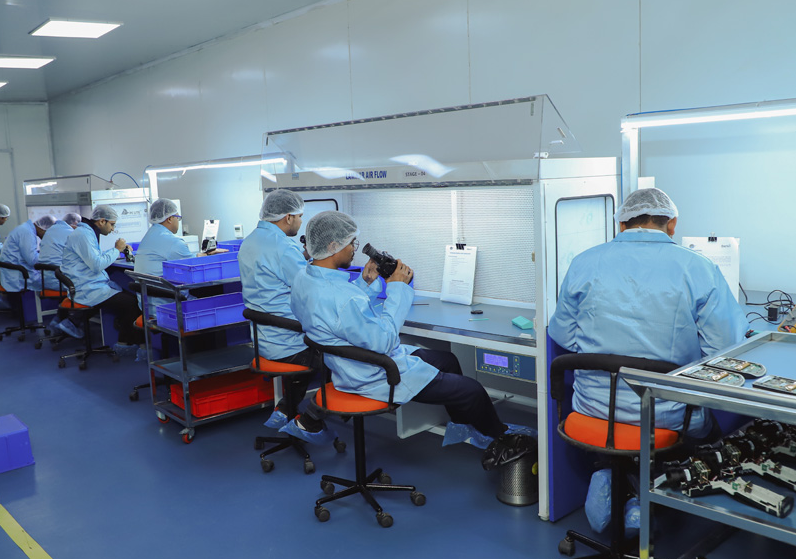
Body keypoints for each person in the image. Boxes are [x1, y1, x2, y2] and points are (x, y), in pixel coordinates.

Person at [289, 210, 521, 463]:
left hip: (347, 367)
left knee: (448, 360)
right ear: (333, 246)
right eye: (351, 243)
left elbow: (338, 312)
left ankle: (463, 426)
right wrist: (397, 288)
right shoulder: (343, 297)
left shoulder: (304, 278)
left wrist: (366, 283)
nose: (354, 249)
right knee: (472, 391)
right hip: (374, 376)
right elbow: (384, 340)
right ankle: (503, 440)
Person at [548, 187, 749, 439]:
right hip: (670, 418)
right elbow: (725, 347)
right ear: (672, 224)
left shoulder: (583, 262)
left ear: (621, 224)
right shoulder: (699, 268)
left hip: (593, 410)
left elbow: (563, 335)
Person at [238, 189, 337, 442]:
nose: (301, 221)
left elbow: (275, 275)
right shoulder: (283, 247)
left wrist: (302, 258)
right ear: (288, 217)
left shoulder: (250, 241)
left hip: (263, 339)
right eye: (300, 216)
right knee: (338, 356)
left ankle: (284, 408)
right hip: (287, 342)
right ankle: (310, 420)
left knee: (314, 352)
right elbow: (312, 288)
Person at [60, 205, 144, 355]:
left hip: (88, 285)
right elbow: (97, 264)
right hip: (87, 289)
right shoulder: (83, 234)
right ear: (102, 221)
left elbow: (94, 257)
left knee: (128, 297)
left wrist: (115, 252)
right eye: (112, 224)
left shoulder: (87, 233)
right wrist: (116, 249)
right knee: (132, 303)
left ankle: (129, 337)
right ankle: (124, 345)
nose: (113, 229)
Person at [134, 198, 226, 317]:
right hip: (170, 306)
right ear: (169, 219)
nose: (178, 221)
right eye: (177, 217)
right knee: (217, 295)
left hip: (148, 307)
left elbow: (185, 259)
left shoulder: (149, 235)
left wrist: (206, 254)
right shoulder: (173, 241)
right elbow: (194, 268)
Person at [37, 212, 83, 339]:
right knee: (88, 288)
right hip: (60, 280)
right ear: (75, 223)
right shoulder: (70, 233)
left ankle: (57, 321)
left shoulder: (50, 232)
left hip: (45, 280)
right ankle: (72, 322)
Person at [0, 215, 56, 293]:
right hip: (18, 276)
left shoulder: (26, 229)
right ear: (43, 229)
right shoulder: (27, 233)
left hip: (15, 270)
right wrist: (49, 256)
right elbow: (32, 260)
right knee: (54, 281)